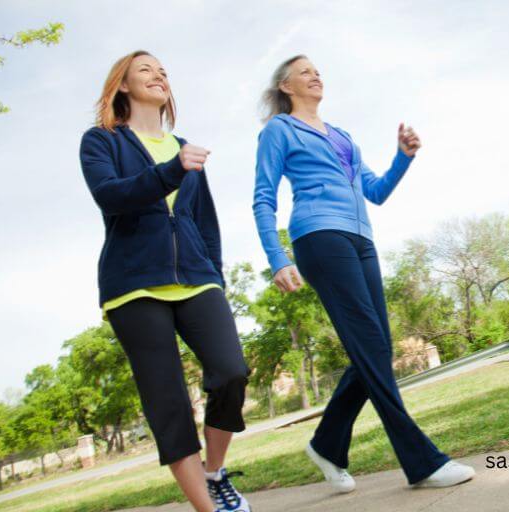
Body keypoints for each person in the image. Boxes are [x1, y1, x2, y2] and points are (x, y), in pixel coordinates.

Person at [252, 54, 476, 492]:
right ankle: (422, 461)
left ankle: (327, 444)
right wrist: (277, 258)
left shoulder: (342, 137)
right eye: (304, 72)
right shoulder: (279, 131)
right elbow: (263, 197)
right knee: (371, 345)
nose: (315, 75)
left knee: (376, 347)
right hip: (319, 236)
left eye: (318, 70)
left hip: (361, 239)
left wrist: (402, 157)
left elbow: (375, 191)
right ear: (285, 86)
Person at [79, 50, 251, 512]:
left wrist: (215, 276)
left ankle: (215, 472)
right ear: (122, 86)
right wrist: (171, 170)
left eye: (163, 71)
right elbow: (111, 196)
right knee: (168, 401)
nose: (159, 75)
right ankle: (208, 508)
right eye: (145, 69)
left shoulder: (184, 144)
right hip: (134, 287)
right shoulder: (102, 141)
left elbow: (204, 221)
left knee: (231, 372)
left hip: (196, 280)